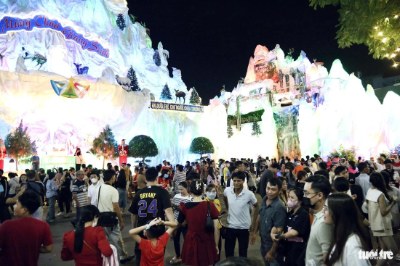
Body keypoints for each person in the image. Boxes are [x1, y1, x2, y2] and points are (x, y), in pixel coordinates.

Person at [129, 167, 175, 265]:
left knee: (140, 256)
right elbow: (168, 211)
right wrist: (170, 223)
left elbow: (133, 214)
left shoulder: (139, 193)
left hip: (142, 230)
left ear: (145, 178)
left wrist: (135, 227)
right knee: (157, 256)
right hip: (158, 230)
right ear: (157, 177)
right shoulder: (162, 192)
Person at [0, 191, 53, 266]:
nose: (14, 206)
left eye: (17, 204)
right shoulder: (43, 226)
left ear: (24, 210)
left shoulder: (7, 225)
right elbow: (48, 248)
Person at [178, 179, 220, 266]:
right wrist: (216, 245)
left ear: (190, 190)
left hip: (191, 239)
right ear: (203, 190)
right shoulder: (210, 205)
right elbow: (216, 228)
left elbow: (178, 223)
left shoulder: (185, 206)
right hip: (207, 239)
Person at [362, 172, 400, 265]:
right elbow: (383, 212)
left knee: (384, 250)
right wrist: (393, 203)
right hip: (382, 225)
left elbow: (366, 207)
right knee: (394, 250)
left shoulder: (370, 191)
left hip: (374, 224)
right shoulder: (380, 194)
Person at [323, 193, 371, 266]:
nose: (323, 211)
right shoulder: (341, 236)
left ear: (338, 212)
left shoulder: (352, 246)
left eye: (326, 208)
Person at [97, 169, 132, 264]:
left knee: (106, 239)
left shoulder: (99, 188)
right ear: (113, 177)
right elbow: (116, 207)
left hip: (100, 218)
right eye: (114, 176)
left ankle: (107, 256)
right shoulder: (113, 190)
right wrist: (121, 220)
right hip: (111, 218)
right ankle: (122, 256)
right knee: (117, 239)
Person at [251, 178, 286, 266]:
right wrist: (254, 232)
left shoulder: (279, 207)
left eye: (273, 189)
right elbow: (260, 216)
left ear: (279, 191)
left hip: (273, 246)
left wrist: (271, 252)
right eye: (268, 188)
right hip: (263, 242)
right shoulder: (264, 199)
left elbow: (279, 232)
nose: (269, 192)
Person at [224, 171, 258, 258]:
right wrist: (228, 209)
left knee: (243, 253)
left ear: (243, 181)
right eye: (234, 181)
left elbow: (256, 206)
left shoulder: (249, 194)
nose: (236, 183)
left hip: (244, 227)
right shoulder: (227, 191)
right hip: (230, 226)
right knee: (229, 252)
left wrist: (253, 224)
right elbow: (224, 198)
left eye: (239, 181)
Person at [274, 187, 310, 266]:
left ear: (299, 201)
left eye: (292, 197)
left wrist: (281, 236)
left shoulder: (303, 214)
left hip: (296, 250)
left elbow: (294, 232)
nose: (289, 199)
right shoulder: (291, 212)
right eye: (289, 197)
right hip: (287, 248)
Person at [304, 175, 333, 266]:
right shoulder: (317, 214)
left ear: (320, 195)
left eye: (307, 193)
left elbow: (327, 257)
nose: (304, 196)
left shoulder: (324, 222)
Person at [170, 181, 191, 264]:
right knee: (176, 239)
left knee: (187, 240)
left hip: (185, 223)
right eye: (179, 189)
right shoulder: (176, 196)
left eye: (182, 189)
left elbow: (190, 212)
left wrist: (185, 221)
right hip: (175, 222)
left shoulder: (190, 198)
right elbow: (173, 209)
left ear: (187, 188)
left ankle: (186, 256)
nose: (180, 191)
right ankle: (178, 256)